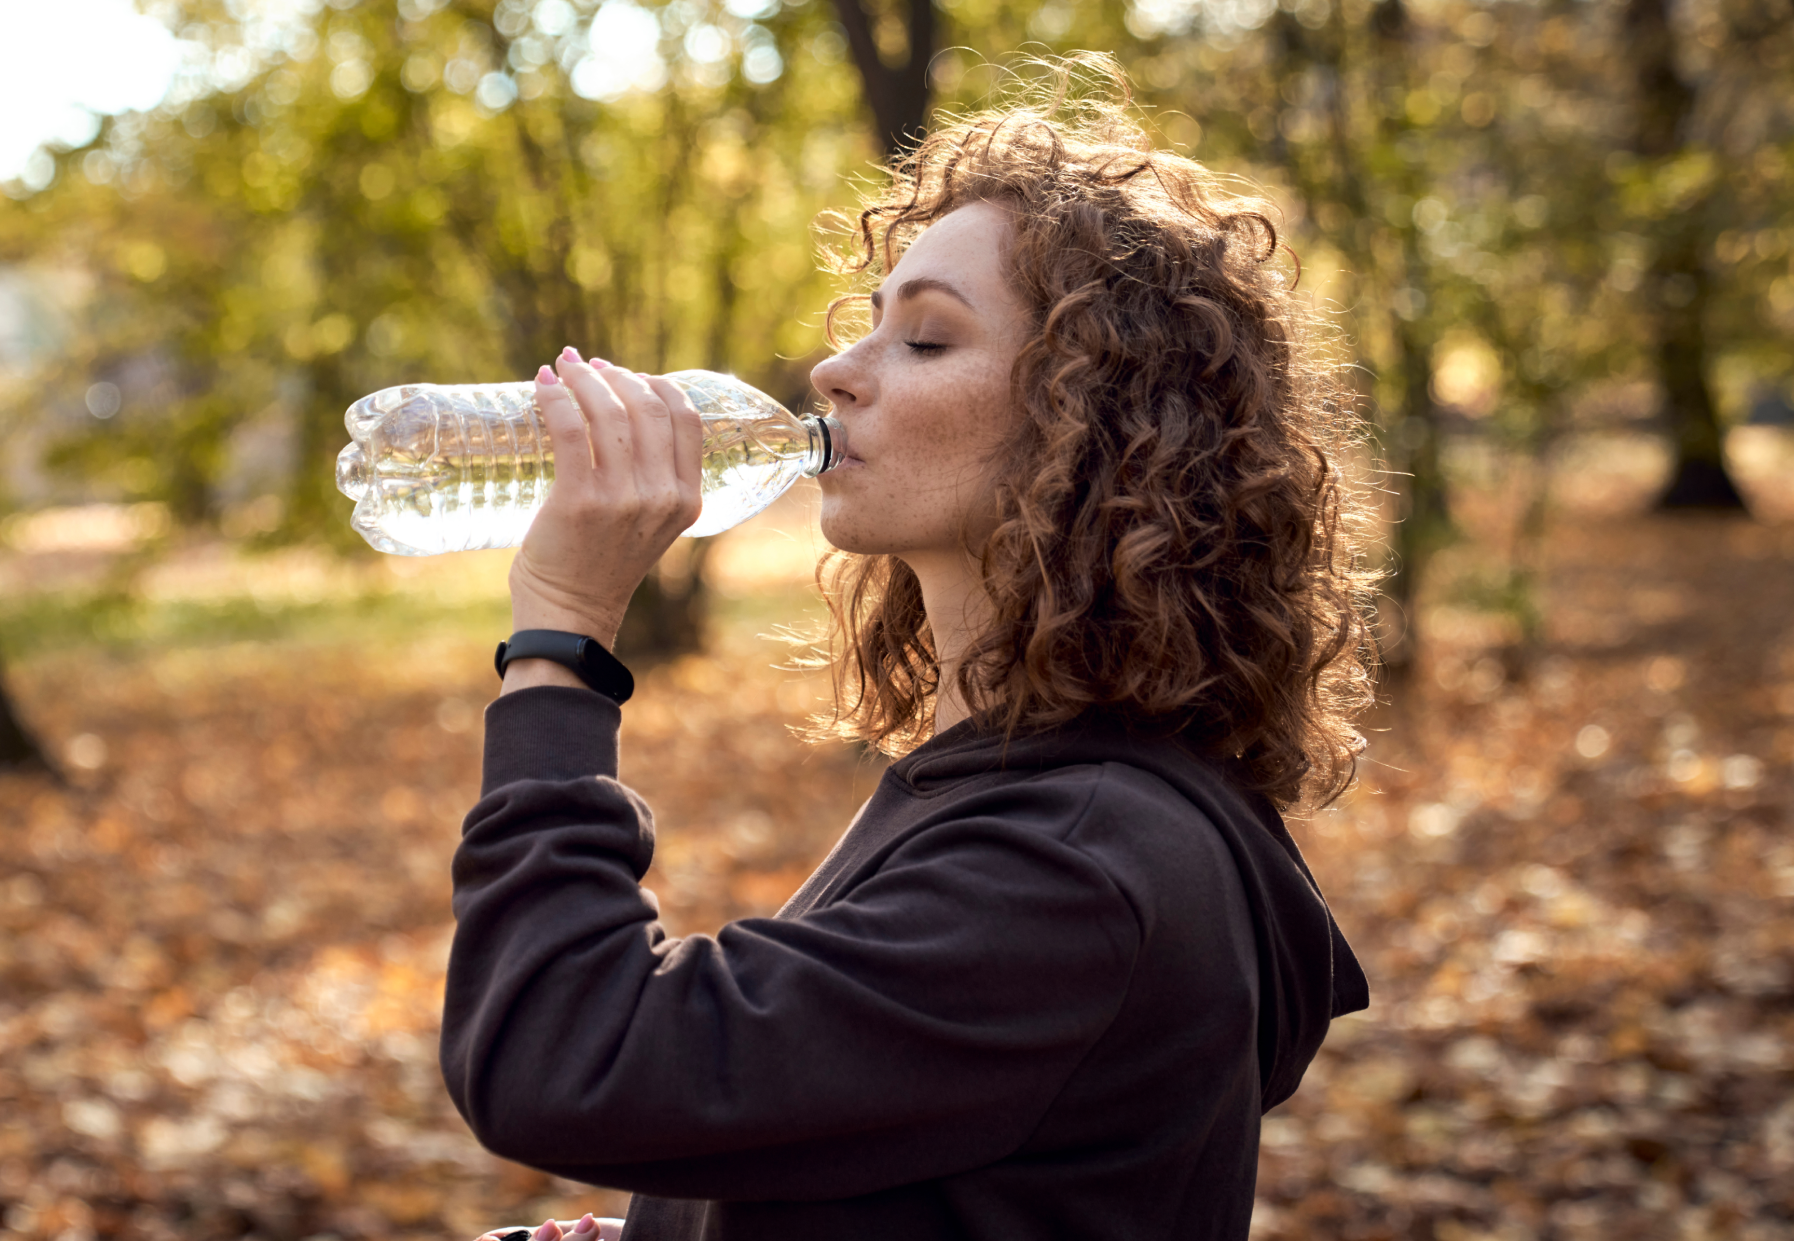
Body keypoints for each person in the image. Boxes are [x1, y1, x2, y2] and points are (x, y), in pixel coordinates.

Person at [447, 57, 1375, 1241]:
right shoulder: (1010, 792)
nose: (836, 371)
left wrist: (561, 638)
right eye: (870, 323)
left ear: (1099, 430)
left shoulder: (1078, 868)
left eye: (927, 341)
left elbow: (563, 1057)